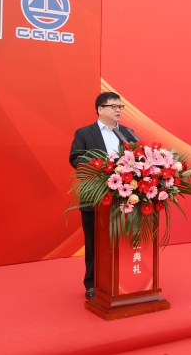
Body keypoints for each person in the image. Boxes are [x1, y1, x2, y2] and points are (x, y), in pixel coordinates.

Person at [69, 92, 139, 299]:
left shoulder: (128, 133)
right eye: (113, 106)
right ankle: (92, 283)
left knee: (123, 242)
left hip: (125, 199)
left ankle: (123, 280)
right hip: (95, 197)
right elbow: (76, 159)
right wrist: (104, 168)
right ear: (100, 109)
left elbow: (140, 157)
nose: (118, 110)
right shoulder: (84, 133)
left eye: (120, 107)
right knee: (94, 243)